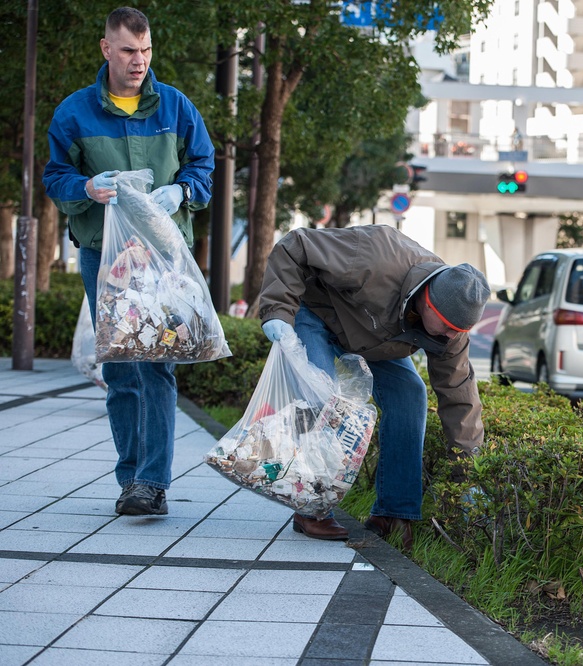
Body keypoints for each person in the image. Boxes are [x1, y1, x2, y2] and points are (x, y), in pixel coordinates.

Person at [43, 7, 215, 516]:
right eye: (127, 51)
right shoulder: (74, 113)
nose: (138, 61)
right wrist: (85, 188)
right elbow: (56, 178)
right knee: (120, 367)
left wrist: (181, 191)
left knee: (157, 364)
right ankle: (130, 478)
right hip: (104, 257)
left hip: (162, 257)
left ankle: (152, 483)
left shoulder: (177, 108)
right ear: (106, 49)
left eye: (145, 51)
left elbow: (203, 166)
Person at [257, 225, 490, 550]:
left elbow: (459, 397)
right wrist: (277, 310)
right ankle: (312, 508)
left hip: (376, 341)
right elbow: (297, 244)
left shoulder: (451, 333)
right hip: (319, 314)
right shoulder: (376, 255)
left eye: (461, 331)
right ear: (429, 302)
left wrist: (470, 470)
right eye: (449, 327)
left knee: (410, 394)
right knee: (323, 399)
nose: (452, 337)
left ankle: (394, 514)